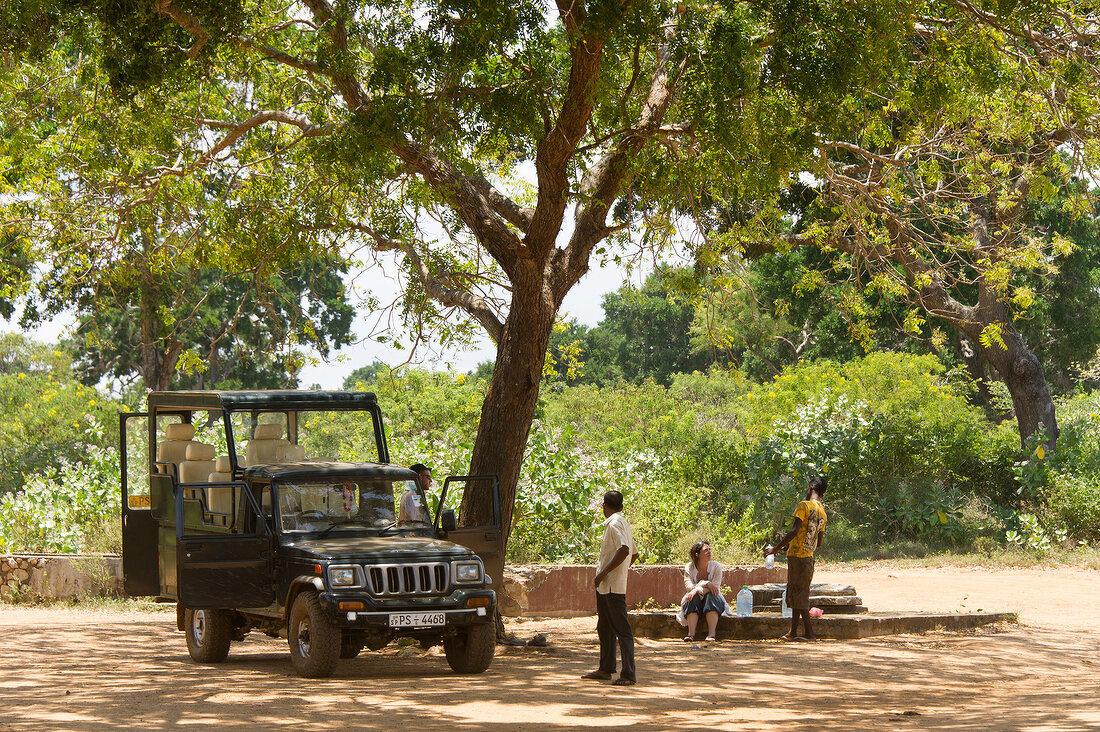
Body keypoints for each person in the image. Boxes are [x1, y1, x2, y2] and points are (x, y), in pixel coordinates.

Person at [581, 490, 639, 686]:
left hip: (612, 586)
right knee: (604, 627)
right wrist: (618, 572)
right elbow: (634, 554)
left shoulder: (614, 523)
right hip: (608, 586)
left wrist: (605, 573)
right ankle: (605, 669)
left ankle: (629, 674)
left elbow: (625, 550)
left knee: (622, 630)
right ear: (621, 507)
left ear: (604, 505)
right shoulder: (622, 523)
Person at [764, 475, 828, 641]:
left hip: (797, 558)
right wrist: (790, 545)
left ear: (811, 487)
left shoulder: (803, 506)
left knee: (799, 596)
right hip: (808, 558)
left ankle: (810, 633)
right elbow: (818, 541)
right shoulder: (822, 513)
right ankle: (793, 632)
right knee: (797, 594)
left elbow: (794, 531)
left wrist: (775, 549)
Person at [677, 540, 732, 642]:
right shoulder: (689, 567)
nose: (709, 552)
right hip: (695, 598)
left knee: (711, 596)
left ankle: (711, 634)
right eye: (706, 550)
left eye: (709, 549)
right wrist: (705, 584)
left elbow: (715, 587)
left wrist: (697, 588)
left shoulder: (716, 567)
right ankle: (691, 634)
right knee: (692, 598)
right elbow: (689, 587)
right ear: (697, 554)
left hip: (713, 598)